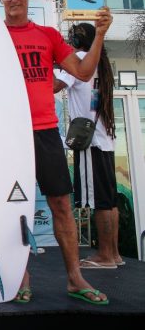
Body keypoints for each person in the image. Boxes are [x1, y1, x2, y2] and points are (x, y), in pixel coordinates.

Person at [0, 0, 113, 305]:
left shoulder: (47, 35)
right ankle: (20, 275)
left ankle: (75, 279)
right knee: (8, 210)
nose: (14, 0)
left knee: (61, 205)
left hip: (45, 131)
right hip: (6, 133)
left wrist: (100, 34)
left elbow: (84, 72)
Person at [54, 22, 123, 269]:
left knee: (100, 202)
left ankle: (104, 256)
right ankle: (113, 254)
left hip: (90, 142)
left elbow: (54, 86)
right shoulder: (100, 63)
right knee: (110, 200)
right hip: (104, 140)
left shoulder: (80, 58)